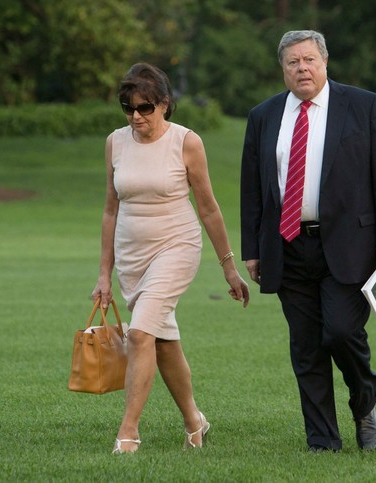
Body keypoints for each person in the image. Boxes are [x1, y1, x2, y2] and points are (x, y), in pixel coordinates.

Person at [240, 30, 376, 452]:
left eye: (309, 59)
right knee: (306, 348)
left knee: (338, 331)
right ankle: (322, 439)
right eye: (293, 62)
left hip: (351, 245)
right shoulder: (263, 116)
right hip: (286, 245)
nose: (302, 68)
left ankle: (364, 401)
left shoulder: (363, 105)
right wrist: (253, 249)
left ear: (325, 62)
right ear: (283, 69)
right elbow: (253, 190)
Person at [92, 62, 249, 454]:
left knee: (141, 333)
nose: (135, 117)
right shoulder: (116, 142)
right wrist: (103, 275)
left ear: (165, 104)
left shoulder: (186, 142)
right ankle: (195, 421)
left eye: (145, 108)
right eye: (128, 108)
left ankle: (128, 431)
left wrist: (229, 267)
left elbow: (209, 208)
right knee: (162, 342)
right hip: (132, 255)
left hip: (177, 246)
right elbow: (110, 210)